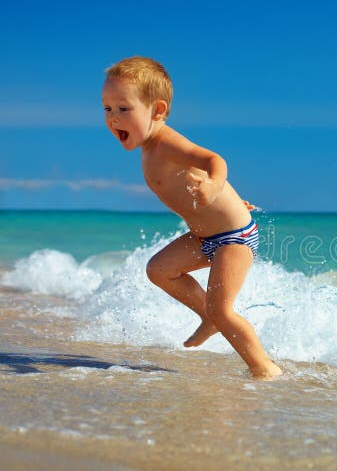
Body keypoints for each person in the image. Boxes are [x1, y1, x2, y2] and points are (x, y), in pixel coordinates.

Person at [101, 56, 282, 380]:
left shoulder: (167, 143)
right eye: (107, 109)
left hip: (234, 237)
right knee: (159, 270)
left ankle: (264, 368)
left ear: (157, 111)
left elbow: (212, 159)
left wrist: (214, 186)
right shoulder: (148, 149)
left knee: (223, 308)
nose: (114, 118)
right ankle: (208, 317)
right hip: (206, 238)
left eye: (123, 109)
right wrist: (225, 197)